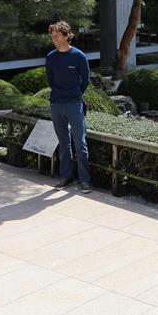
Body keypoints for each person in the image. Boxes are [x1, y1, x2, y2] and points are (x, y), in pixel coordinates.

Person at [45, 21, 92, 194]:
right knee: (63, 142)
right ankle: (66, 177)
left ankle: (85, 180)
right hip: (56, 104)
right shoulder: (50, 57)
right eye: (52, 35)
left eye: (57, 35)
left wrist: (74, 94)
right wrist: (60, 94)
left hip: (74, 104)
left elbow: (86, 80)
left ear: (66, 35)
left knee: (80, 142)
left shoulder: (79, 56)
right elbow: (51, 80)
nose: (54, 38)